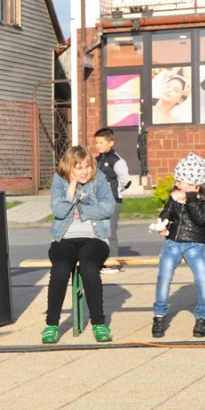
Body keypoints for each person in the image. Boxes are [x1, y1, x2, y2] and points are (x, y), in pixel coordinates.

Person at [41, 145, 115, 344]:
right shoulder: (59, 180)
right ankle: (51, 325)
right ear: (69, 168)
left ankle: (99, 323)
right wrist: (72, 185)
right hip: (64, 238)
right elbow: (59, 210)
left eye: (87, 166)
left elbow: (109, 207)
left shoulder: (99, 178)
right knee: (60, 269)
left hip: (95, 238)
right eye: (79, 167)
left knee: (89, 268)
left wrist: (82, 212)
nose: (85, 172)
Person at [151, 152, 205, 339]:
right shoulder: (175, 196)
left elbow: (200, 220)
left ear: (194, 184)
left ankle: (202, 317)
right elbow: (166, 212)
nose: (176, 183)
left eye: (180, 180)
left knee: (202, 278)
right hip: (173, 243)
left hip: (195, 245)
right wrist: (163, 224)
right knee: (164, 277)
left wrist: (191, 198)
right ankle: (159, 315)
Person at [93, 127, 132, 273]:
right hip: (98, 202)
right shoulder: (96, 160)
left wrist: (115, 190)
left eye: (101, 143)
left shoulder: (116, 160)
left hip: (112, 201)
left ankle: (113, 263)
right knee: (98, 232)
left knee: (110, 232)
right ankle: (100, 261)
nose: (98, 146)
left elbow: (126, 180)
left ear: (110, 142)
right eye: (96, 143)